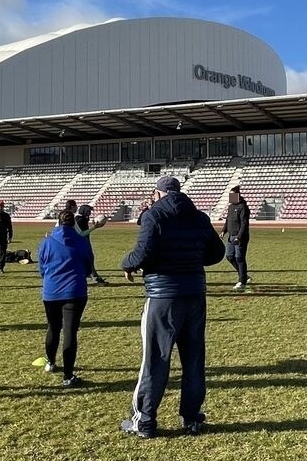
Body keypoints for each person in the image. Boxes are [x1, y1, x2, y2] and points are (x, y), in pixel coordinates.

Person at [119, 175, 225, 438]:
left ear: (158, 193)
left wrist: (127, 264)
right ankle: (191, 418)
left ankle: (144, 420)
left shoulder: (154, 216)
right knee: (193, 359)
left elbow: (142, 253)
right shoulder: (199, 217)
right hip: (195, 294)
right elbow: (216, 252)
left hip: (163, 295)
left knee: (155, 359)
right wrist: (192, 260)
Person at [37, 209, 94, 387]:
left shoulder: (46, 242)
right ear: (73, 224)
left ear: (58, 222)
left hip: (51, 291)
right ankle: (68, 376)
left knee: (53, 327)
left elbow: (41, 267)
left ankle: (51, 362)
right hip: (75, 291)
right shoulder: (81, 241)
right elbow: (88, 265)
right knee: (70, 331)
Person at [222, 185, 251, 291]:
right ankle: (243, 275)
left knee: (239, 257)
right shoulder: (230, 207)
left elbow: (244, 224)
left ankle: (242, 281)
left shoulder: (243, 207)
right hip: (231, 236)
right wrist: (223, 231)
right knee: (229, 256)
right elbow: (227, 220)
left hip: (240, 237)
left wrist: (239, 237)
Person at [74, 204, 109, 285]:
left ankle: (91, 276)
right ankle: (96, 279)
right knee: (89, 260)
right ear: (84, 211)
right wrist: (95, 227)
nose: (90, 212)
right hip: (82, 243)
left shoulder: (83, 218)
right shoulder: (79, 219)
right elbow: (81, 233)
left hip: (84, 242)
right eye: (89, 211)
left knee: (88, 260)